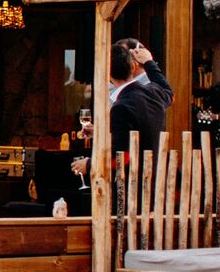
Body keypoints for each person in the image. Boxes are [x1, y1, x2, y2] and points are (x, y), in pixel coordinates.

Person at [71, 39, 172, 181]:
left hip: (132, 182)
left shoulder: (121, 107)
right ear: (133, 66)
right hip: (156, 178)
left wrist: (89, 164)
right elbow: (169, 92)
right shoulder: (154, 92)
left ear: (107, 74)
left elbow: (121, 156)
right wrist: (149, 62)